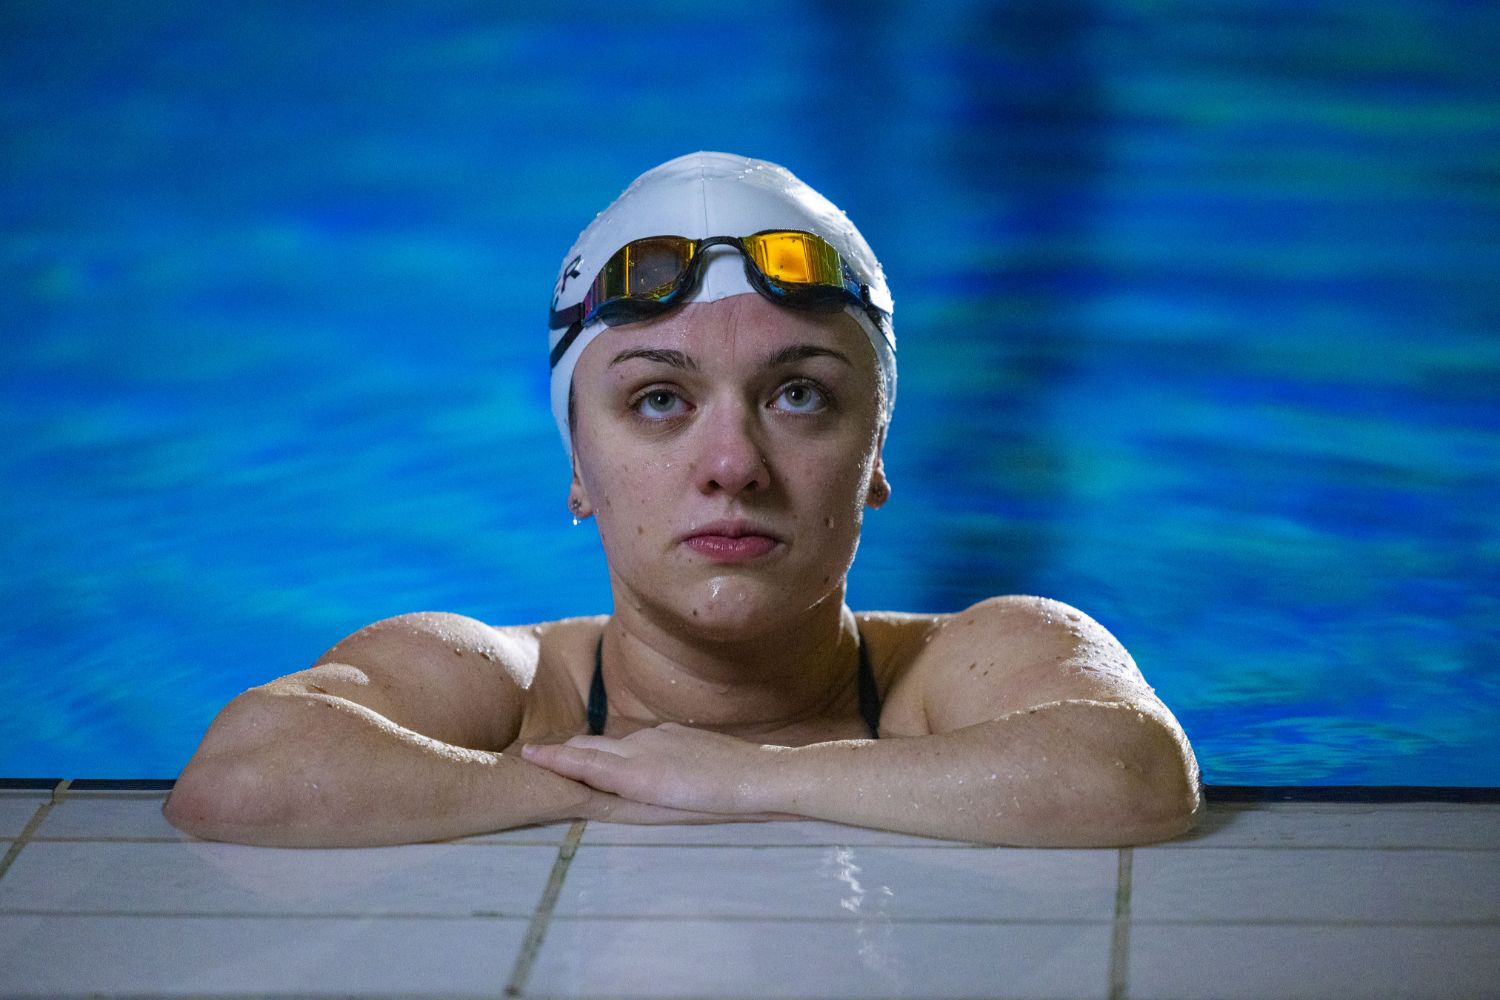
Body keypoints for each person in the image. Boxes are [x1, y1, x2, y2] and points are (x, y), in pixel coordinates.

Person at [163, 152, 1202, 849]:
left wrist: (745, 778)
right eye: (659, 400)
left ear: (876, 454)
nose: (733, 465)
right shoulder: (504, 684)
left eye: (799, 395)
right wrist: (603, 782)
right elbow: (242, 776)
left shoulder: (973, 659)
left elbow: (1134, 772)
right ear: (579, 465)